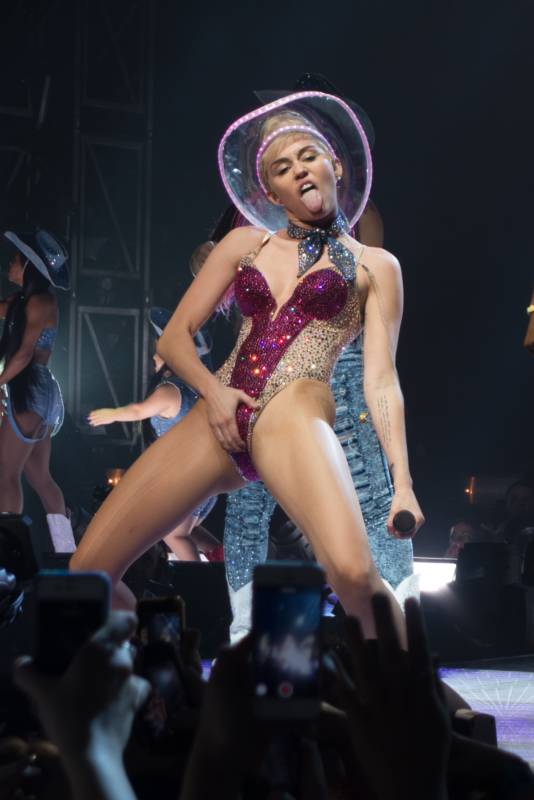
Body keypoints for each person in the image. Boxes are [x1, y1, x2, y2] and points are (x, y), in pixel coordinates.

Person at [71, 90, 423, 641]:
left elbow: (381, 380)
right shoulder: (243, 244)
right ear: (271, 192)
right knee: (86, 576)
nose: (299, 170)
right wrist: (213, 394)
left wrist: (402, 483)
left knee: (355, 577)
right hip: (218, 417)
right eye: (282, 168)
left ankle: (413, 687)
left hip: (294, 415)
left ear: (335, 165)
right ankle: (144, 676)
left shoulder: (376, 265)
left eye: (308, 155)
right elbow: (176, 340)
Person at [88, 308, 219, 561]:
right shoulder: (195, 388)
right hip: (203, 478)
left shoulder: (170, 390)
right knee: (187, 532)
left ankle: (203, 584)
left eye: (161, 346)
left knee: (174, 535)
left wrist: (112, 413)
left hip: (191, 480)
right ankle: (228, 565)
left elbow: (138, 410)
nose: (154, 353)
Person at [0, 229, 75, 552]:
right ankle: (66, 550)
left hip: (31, 389)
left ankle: (7, 550)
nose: (10, 264)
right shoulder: (22, 302)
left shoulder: (41, 302)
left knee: (5, 473)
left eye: (15, 260)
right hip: (36, 392)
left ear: (28, 266)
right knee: (40, 478)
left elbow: (23, 355)